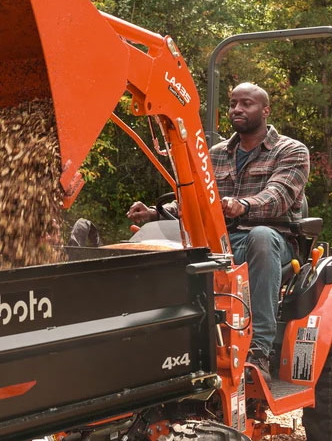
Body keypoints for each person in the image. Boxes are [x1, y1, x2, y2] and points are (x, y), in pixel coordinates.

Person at [127, 82, 309, 382]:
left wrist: (243, 206)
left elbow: (279, 196)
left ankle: (260, 349)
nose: (237, 109)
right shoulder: (216, 153)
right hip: (220, 241)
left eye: (246, 103)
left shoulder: (290, 150)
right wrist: (155, 212)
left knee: (260, 237)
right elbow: (195, 197)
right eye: (234, 103)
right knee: (166, 243)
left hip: (274, 243)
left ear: (265, 110)